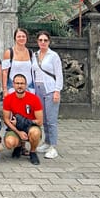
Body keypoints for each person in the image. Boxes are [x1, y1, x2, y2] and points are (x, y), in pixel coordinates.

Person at [32, 31, 64, 159]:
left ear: (49, 41)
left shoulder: (53, 56)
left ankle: (53, 146)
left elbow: (59, 74)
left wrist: (57, 90)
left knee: (51, 120)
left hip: (50, 88)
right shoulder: (35, 55)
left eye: (45, 40)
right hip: (38, 88)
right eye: (40, 40)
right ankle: (46, 142)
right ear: (37, 42)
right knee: (43, 118)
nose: (43, 42)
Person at [3, 73, 43, 165]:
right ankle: (19, 145)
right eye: (17, 83)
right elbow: (6, 120)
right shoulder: (8, 99)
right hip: (15, 127)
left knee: (35, 133)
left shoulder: (34, 99)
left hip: (30, 126)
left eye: (22, 83)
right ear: (13, 84)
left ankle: (33, 152)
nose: (19, 86)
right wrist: (18, 132)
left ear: (26, 85)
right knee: (9, 143)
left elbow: (40, 121)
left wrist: (23, 121)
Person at [2, 28, 35, 97]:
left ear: (26, 38)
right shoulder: (9, 52)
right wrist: (5, 90)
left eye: (23, 36)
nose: (21, 38)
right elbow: (5, 72)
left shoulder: (30, 53)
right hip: (13, 87)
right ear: (15, 38)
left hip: (29, 87)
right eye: (19, 36)